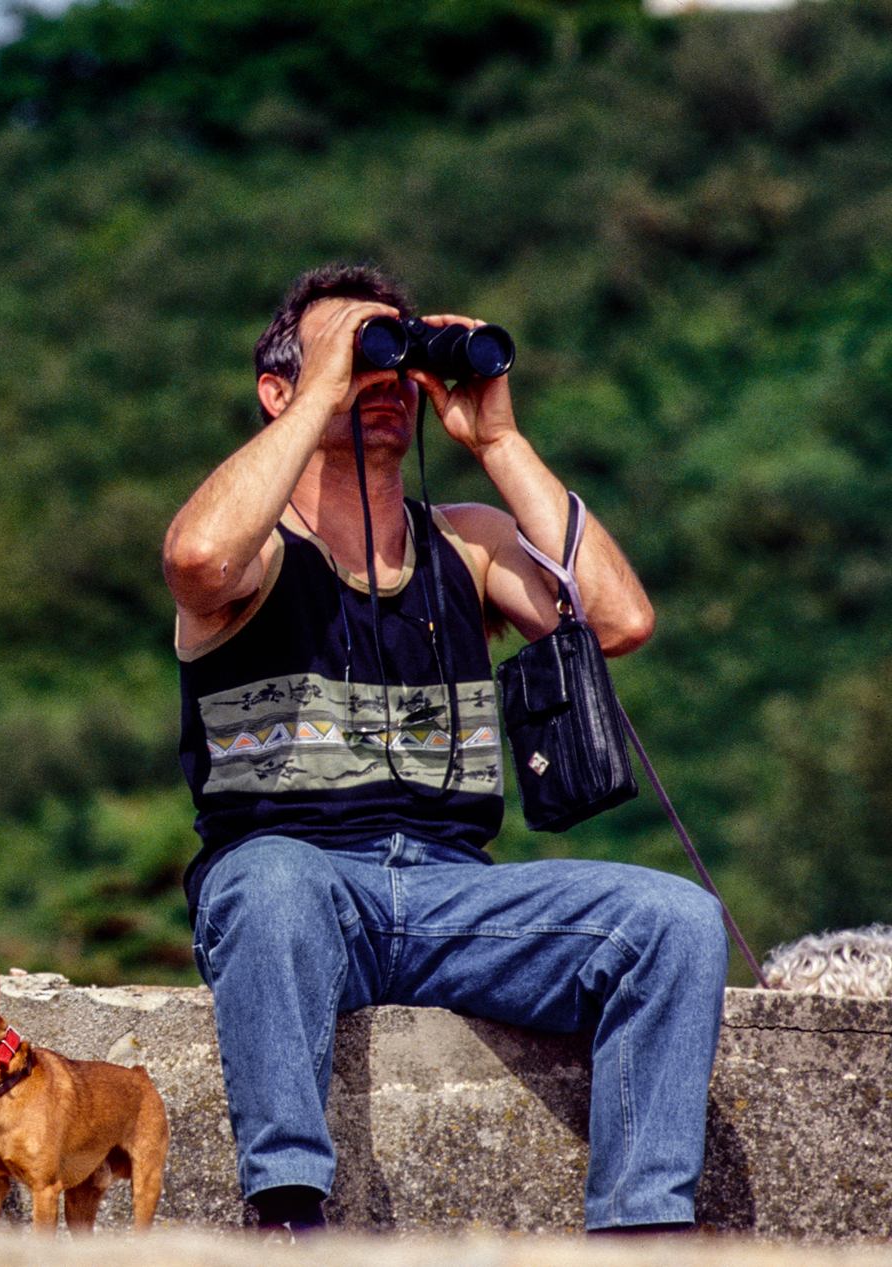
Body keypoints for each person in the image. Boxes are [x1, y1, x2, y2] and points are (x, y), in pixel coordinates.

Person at [161, 264, 727, 1236]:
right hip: (297, 884)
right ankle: (290, 1214)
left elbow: (620, 618)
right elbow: (197, 559)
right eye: (358, 355)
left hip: (453, 894)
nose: (384, 381)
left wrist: (497, 437)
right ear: (277, 389)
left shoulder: (463, 547)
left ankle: (642, 1236)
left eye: (397, 359)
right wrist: (324, 391)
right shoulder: (257, 557)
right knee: (272, 882)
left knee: (674, 919)